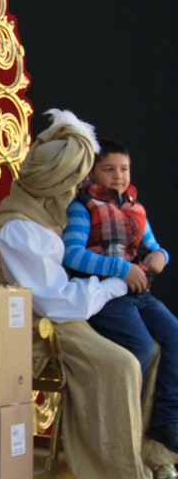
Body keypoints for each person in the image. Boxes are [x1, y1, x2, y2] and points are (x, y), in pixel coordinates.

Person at [0, 109, 178, 479]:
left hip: (70, 315)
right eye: (73, 180)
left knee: (157, 348)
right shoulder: (20, 227)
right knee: (119, 365)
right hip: (42, 328)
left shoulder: (45, 218)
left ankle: (153, 457)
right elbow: (55, 302)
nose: (78, 188)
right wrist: (117, 282)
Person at [61, 138, 178, 455]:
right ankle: (122, 416)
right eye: (109, 169)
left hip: (140, 293)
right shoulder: (83, 207)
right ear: (92, 172)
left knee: (174, 334)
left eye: (124, 169)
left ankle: (166, 418)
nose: (118, 176)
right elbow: (73, 255)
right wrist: (122, 269)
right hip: (108, 296)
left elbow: (154, 246)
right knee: (140, 346)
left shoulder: (134, 207)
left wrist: (161, 256)